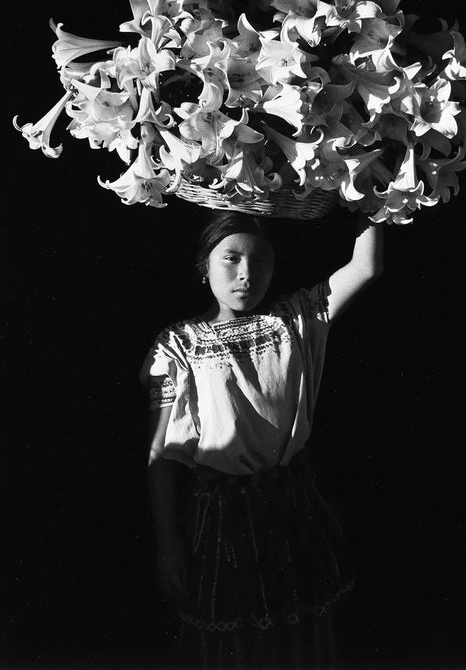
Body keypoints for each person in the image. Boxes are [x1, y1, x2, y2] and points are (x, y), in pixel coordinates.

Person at [140, 209, 383, 669]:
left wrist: (368, 189)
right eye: (231, 259)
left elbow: (366, 267)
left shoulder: (294, 320)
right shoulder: (179, 345)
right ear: (203, 266)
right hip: (222, 519)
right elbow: (159, 453)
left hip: (296, 506)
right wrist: (167, 542)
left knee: (302, 640)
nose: (247, 274)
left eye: (261, 261)